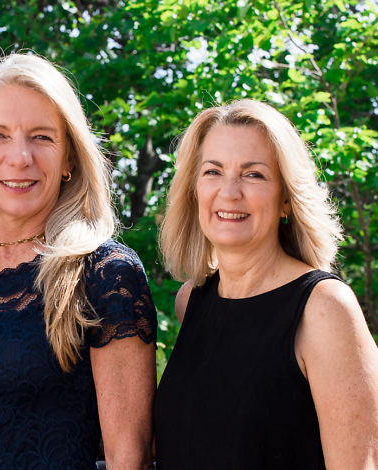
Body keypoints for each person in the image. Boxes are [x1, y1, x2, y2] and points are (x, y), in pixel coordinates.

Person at [0, 53, 158, 469]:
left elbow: (127, 457)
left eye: (42, 137)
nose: (20, 157)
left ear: (69, 158)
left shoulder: (105, 273)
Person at [154, 100, 378, 469]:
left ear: (286, 199)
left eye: (253, 174)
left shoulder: (324, 309)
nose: (229, 192)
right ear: (194, 190)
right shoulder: (190, 301)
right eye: (212, 171)